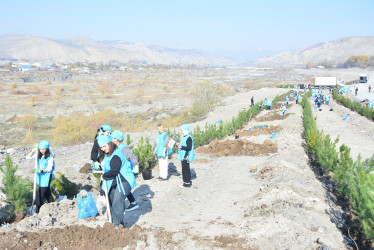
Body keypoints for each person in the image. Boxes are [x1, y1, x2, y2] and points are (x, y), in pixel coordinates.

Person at [97, 134, 136, 229]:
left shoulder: (116, 155)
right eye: (101, 147)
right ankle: (111, 221)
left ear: (110, 144)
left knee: (118, 200)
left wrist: (104, 176)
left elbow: (113, 172)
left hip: (124, 180)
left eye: (104, 146)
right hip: (115, 181)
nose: (102, 149)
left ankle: (116, 225)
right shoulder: (108, 154)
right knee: (110, 198)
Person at [111, 130, 139, 211]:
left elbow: (132, 156)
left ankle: (122, 206)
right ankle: (133, 203)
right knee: (123, 188)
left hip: (125, 172)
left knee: (122, 189)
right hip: (122, 172)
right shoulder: (118, 147)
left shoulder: (123, 148)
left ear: (116, 139)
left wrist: (136, 165)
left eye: (111, 138)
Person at [32, 141, 55, 214]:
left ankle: (37, 212)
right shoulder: (38, 155)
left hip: (47, 176)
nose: (42, 151)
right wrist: (33, 151)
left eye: (43, 149)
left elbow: (49, 168)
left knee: (40, 195)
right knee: (47, 193)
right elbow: (27, 157)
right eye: (40, 149)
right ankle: (53, 207)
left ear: (47, 149)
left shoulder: (50, 157)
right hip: (40, 177)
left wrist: (41, 171)